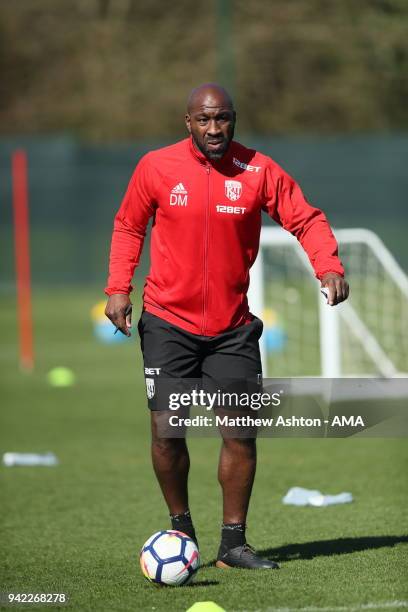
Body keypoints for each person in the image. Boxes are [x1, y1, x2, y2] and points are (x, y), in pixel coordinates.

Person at [104, 83, 349, 570]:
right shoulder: (156, 167)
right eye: (204, 120)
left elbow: (305, 218)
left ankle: (233, 545)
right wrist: (117, 287)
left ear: (233, 120)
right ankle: (181, 530)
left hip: (233, 328)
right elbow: (129, 225)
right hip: (169, 323)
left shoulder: (258, 169)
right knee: (167, 432)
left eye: (223, 119)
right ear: (188, 122)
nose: (214, 129)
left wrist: (329, 265)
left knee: (241, 434)